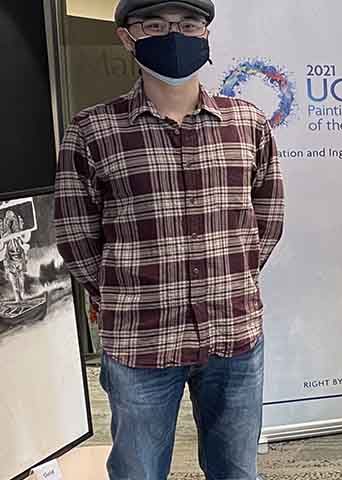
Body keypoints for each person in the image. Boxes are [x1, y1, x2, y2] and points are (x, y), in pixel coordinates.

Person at [53, 0, 285, 478]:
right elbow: (76, 234)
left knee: (238, 472)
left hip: (233, 333)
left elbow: (267, 215)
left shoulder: (247, 123)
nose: (174, 36)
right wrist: (122, 291)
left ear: (206, 33)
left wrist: (231, 276)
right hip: (140, 338)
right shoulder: (93, 130)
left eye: (188, 24)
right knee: (137, 471)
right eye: (154, 25)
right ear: (127, 37)